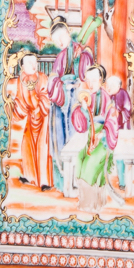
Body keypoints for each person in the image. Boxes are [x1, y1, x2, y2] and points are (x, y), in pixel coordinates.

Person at [47, 17, 93, 185]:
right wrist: (61, 86)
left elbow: (88, 78)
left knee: (78, 137)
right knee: (62, 139)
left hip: (78, 101)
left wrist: (79, 83)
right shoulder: (60, 57)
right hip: (62, 103)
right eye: (55, 40)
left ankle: (81, 177)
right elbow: (53, 80)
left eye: (61, 36)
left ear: (68, 32)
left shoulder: (83, 53)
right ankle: (64, 179)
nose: (59, 42)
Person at [70, 64, 120, 213]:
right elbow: (82, 126)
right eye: (88, 80)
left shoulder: (107, 98)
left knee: (90, 166)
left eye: (93, 80)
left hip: (103, 142)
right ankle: (87, 202)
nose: (90, 84)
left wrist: (102, 134)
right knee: (80, 160)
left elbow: (112, 122)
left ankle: (92, 204)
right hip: (91, 140)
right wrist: (82, 109)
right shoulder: (88, 97)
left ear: (100, 79)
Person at [8, 52, 54, 191]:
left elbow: (46, 97)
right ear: (22, 66)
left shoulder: (43, 78)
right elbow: (16, 99)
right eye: (29, 63)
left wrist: (38, 106)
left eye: (35, 62)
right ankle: (29, 176)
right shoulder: (19, 80)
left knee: (42, 147)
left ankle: (44, 181)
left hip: (42, 117)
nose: (33, 66)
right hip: (29, 118)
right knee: (26, 145)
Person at [103, 74, 133, 191]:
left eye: (110, 86)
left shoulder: (123, 94)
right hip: (110, 130)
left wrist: (118, 112)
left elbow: (127, 111)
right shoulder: (109, 96)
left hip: (121, 130)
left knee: (120, 157)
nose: (108, 88)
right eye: (107, 86)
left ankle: (122, 182)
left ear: (116, 86)